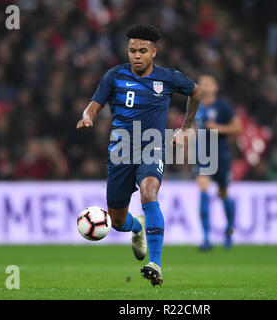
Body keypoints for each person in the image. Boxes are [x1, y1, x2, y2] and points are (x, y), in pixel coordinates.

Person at [76, 24, 201, 286]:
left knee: (149, 193)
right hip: (120, 152)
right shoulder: (114, 76)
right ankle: (137, 227)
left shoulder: (167, 78)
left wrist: (186, 127)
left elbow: (196, 92)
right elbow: (94, 104)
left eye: (143, 51)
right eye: (132, 50)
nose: (137, 55)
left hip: (152, 147)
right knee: (118, 221)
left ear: (154, 52)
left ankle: (155, 262)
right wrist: (87, 116)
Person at [194, 74, 242, 250]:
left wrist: (219, 128)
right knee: (203, 190)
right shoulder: (194, 105)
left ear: (215, 87)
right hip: (202, 156)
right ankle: (206, 238)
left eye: (209, 83)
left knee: (223, 194)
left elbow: (238, 127)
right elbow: (190, 127)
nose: (205, 85)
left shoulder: (223, 106)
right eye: (202, 82)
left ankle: (229, 229)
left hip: (221, 156)